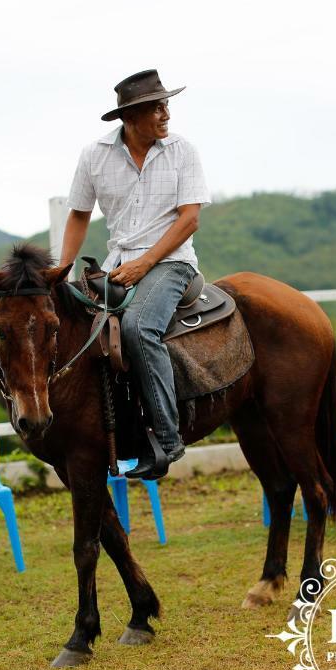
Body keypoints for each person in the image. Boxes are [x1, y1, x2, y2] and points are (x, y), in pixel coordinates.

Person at [59, 69, 211, 477]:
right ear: (132, 117)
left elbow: (189, 219)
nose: (166, 114)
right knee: (77, 333)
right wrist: (60, 270)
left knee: (137, 329)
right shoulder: (94, 155)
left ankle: (166, 438)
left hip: (173, 261)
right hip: (117, 265)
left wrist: (146, 263)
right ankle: (99, 432)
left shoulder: (183, 151)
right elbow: (78, 216)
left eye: (167, 105)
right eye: (158, 107)